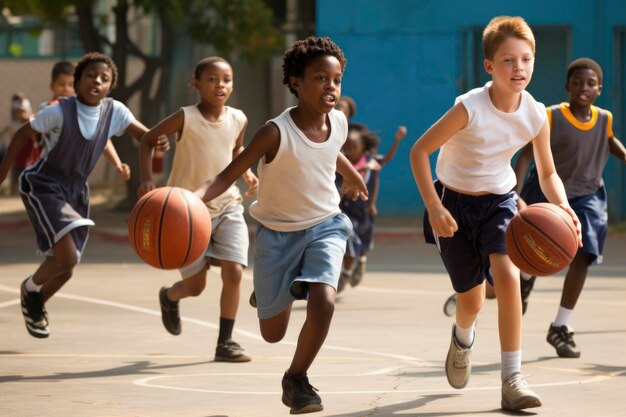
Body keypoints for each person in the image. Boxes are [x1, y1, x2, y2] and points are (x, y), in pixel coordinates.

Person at [409, 16, 581, 411]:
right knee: (470, 300)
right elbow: (419, 152)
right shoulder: (469, 108)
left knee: (507, 276)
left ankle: (511, 378)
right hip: (451, 204)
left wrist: (564, 207)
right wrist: (434, 207)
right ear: (489, 66)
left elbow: (548, 171)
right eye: (507, 60)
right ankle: (462, 337)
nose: (518, 68)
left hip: (500, 202)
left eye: (525, 59)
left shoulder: (536, 114)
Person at [195, 36, 367, 414]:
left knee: (324, 300)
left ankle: (297, 379)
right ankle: (276, 292)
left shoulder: (338, 121)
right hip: (276, 234)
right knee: (272, 334)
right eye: (320, 79)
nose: (331, 87)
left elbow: (332, 151)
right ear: (296, 83)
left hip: (326, 224)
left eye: (336, 80)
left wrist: (352, 176)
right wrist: (193, 199)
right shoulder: (274, 132)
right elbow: (227, 175)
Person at [0, 52, 169, 339]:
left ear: (110, 87)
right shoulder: (59, 110)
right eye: (90, 76)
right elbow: (22, 134)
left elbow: (146, 136)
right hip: (45, 183)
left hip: (77, 191)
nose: (97, 81)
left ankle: (36, 303)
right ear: (77, 82)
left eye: (104, 79)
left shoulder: (115, 111)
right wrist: (3, 172)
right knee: (66, 259)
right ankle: (30, 289)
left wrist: (159, 139)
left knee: (66, 268)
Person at [138, 56, 258, 363]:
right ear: (197, 84)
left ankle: (225, 342)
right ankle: (170, 296)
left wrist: (245, 172)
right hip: (185, 211)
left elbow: (236, 149)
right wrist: (147, 180)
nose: (220, 85)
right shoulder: (185, 117)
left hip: (228, 203)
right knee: (196, 286)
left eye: (227, 79)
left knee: (234, 271)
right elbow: (149, 139)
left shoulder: (239, 119)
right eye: (212, 79)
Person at [514, 58, 626, 358]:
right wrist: (516, 191)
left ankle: (560, 326)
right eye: (577, 83)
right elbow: (525, 155)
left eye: (590, 83)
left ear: (599, 89)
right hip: (545, 192)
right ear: (568, 87)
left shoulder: (604, 118)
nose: (583, 88)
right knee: (535, 249)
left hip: (587, 195)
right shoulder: (551, 116)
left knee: (585, 252)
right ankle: (525, 278)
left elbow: (612, 142)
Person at [29, 61, 130, 179]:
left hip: (72, 176)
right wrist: (30, 120)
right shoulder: (48, 109)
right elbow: (32, 131)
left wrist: (117, 163)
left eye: (70, 84)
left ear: (77, 85)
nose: (66, 89)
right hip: (46, 174)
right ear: (52, 86)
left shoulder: (83, 112)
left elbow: (102, 139)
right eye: (61, 84)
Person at [336, 123, 382, 292]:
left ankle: (360, 264)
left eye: (353, 146)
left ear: (363, 147)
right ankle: (346, 273)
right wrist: (343, 193)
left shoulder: (370, 162)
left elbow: (375, 180)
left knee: (363, 243)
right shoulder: (341, 163)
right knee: (349, 242)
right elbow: (338, 187)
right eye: (346, 146)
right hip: (347, 211)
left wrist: (372, 203)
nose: (349, 150)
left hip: (364, 210)